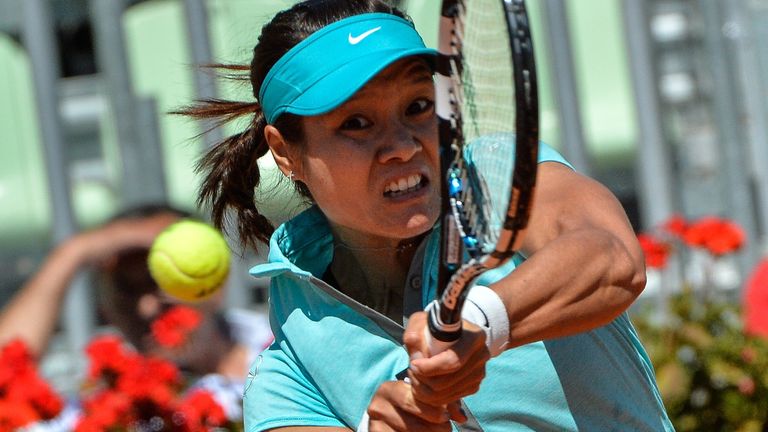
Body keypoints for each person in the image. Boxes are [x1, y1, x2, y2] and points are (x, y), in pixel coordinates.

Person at [179, 1, 674, 430]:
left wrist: (480, 323)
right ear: (285, 153)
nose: (400, 146)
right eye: (356, 123)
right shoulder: (290, 374)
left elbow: (612, 259)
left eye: (418, 106)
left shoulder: (497, 177)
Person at [0, 204, 273, 426]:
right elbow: (5, 371)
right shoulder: (112, 411)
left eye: (160, 281)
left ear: (211, 286)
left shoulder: (289, 344)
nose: (145, 307)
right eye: (126, 289)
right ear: (105, 309)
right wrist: (73, 252)